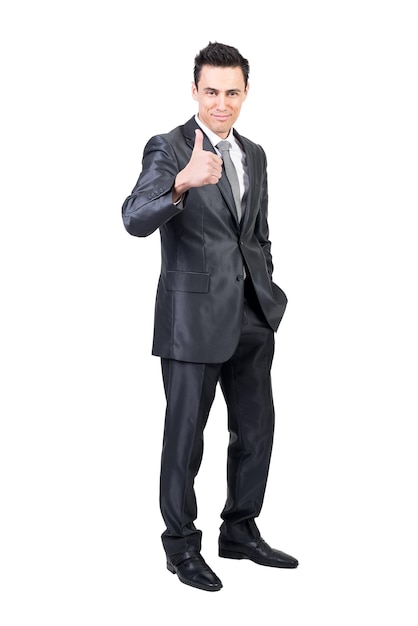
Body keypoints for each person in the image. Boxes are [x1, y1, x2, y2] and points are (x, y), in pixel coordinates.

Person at [121, 41, 298, 592]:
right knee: (185, 438)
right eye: (211, 91)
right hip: (192, 320)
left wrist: (270, 293)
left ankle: (241, 531)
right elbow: (133, 217)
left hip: (251, 316)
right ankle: (180, 547)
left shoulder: (256, 154)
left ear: (246, 93)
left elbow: (257, 233)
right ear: (195, 90)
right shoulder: (169, 148)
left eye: (233, 92)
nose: (222, 103)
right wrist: (181, 182)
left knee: (256, 431)